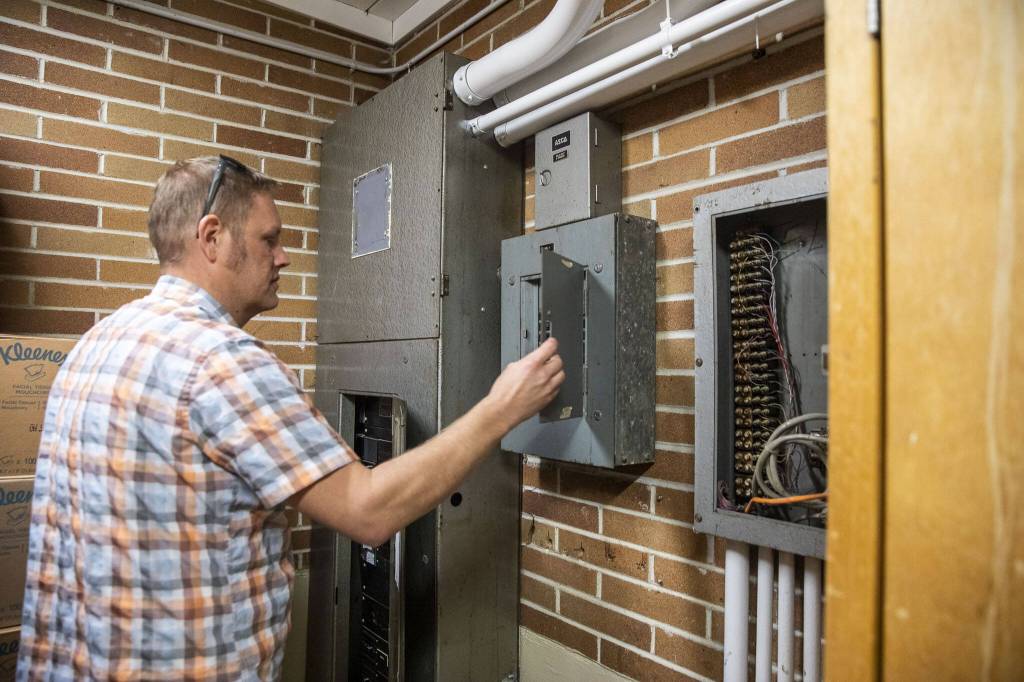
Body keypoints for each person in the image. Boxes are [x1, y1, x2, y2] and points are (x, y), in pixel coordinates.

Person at [17, 156, 564, 680]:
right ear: (212, 237)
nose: (283, 258)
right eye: (269, 239)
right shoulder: (222, 361)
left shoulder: (96, 343)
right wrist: (502, 409)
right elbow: (367, 510)